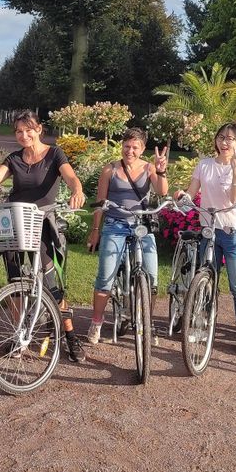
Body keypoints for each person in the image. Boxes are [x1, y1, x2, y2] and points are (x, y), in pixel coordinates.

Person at [0, 109, 88, 362]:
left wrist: (77, 190)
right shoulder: (14, 159)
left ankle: (69, 335)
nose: (24, 135)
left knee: (53, 285)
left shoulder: (54, 154)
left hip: (43, 224)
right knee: (14, 283)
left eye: (28, 130)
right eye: (19, 131)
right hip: (16, 225)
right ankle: (19, 333)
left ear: (39, 129)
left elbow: (71, 177)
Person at [85, 128, 169, 345]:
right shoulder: (110, 169)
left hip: (141, 225)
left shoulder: (149, 168)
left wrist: (160, 171)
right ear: (122, 146)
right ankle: (96, 321)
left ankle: (146, 324)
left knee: (151, 278)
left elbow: (161, 191)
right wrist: (95, 231)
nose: (130, 151)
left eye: (135, 147)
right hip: (115, 225)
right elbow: (100, 203)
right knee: (106, 276)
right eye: (127, 146)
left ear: (142, 149)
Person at [181, 122, 236, 357]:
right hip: (209, 230)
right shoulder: (204, 165)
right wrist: (183, 197)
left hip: (233, 233)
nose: (225, 142)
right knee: (205, 280)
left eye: (231, 139)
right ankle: (202, 325)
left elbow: (235, 197)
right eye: (222, 137)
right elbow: (191, 192)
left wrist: (234, 169)